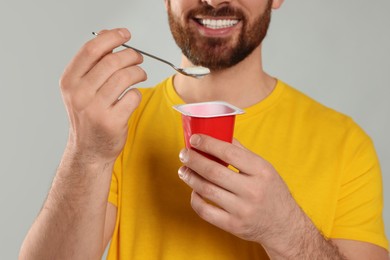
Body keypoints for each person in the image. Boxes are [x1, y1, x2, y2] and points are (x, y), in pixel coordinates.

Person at [19, 0, 389, 259]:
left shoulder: (345, 144)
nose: (213, 0)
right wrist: (88, 154)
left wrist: (285, 231)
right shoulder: (115, 123)